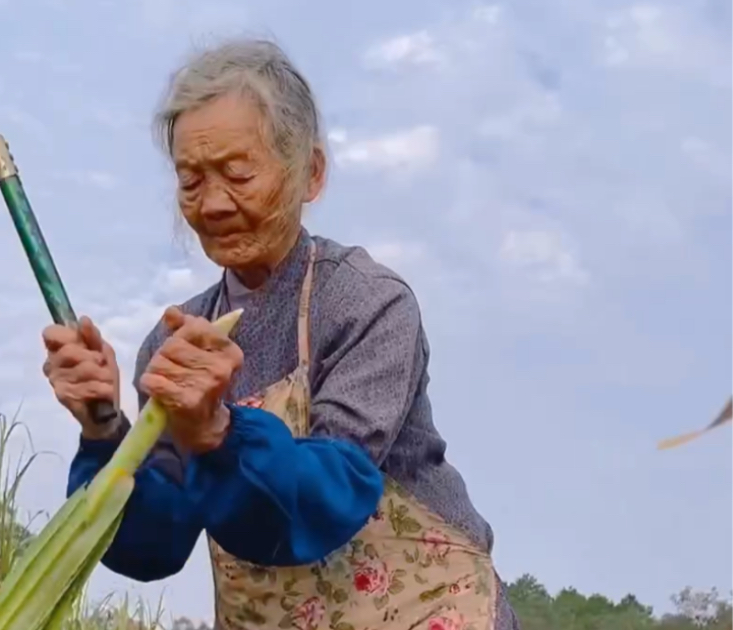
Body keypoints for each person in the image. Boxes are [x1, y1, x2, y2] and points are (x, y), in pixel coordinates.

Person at [41, 39, 519, 630]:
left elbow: (328, 499)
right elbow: (151, 547)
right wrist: (104, 430)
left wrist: (216, 430)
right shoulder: (173, 348)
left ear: (310, 174)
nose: (212, 203)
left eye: (238, 173)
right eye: (191, 180)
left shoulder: (366, 302)